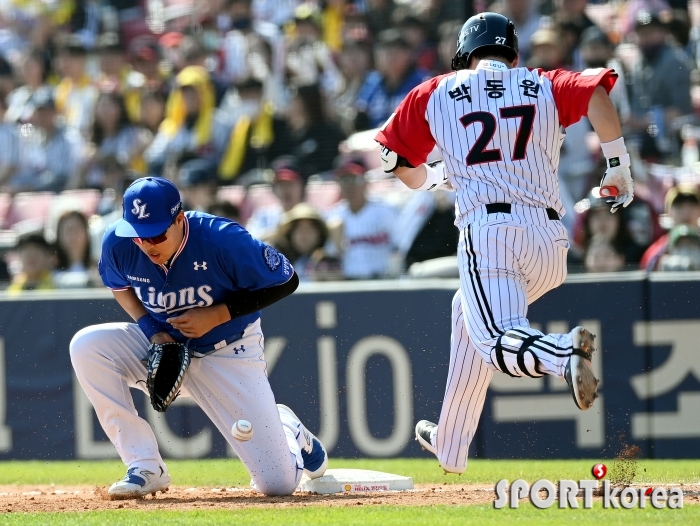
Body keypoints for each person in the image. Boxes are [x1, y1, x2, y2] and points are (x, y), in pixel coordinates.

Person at [375, 12, 634, 474]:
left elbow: (398, 162)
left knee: (495, 338)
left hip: (491, 233)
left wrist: (438, 177)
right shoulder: (541, 82)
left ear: (464, 53)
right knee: (467, 313)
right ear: (512, 52)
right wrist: (617, 163)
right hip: (551, 243)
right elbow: (597, 91)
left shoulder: (435, 90)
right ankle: (451, 442)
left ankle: (563, 353)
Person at [70, 177, 328, 498]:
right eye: (138, 236)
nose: (147, 244)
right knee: (87, 346)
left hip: (228, 349)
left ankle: (285, 424)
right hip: (167, 345)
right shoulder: (119, 243)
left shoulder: (221, 239)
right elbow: (119, 287)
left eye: (156, 234)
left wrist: (218, 314)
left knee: (277, 485)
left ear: (179, 219)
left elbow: (285, 280)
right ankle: (145, 465)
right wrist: (153, 331)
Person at [326, 157, 398, 279]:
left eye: (355, 179)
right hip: (350, 284)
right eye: (344, 180)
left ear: (366, 180)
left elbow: (400, 247)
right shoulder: (332, 217)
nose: (350, 185)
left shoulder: (386, 211)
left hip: (384, 281)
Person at [640, 185, 700, 271]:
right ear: (668, 212)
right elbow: (645, 271)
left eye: (692, 206)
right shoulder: (657, 249)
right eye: (679, 207)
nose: (686, 212)